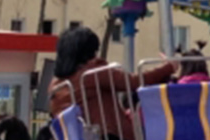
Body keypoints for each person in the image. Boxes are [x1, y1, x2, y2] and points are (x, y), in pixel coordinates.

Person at [48, 26, 178, 139]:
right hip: (107, 135)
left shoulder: (56, 86)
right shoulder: (93, 72)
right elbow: (133, 82)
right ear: (87, 53)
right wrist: (169, 67)